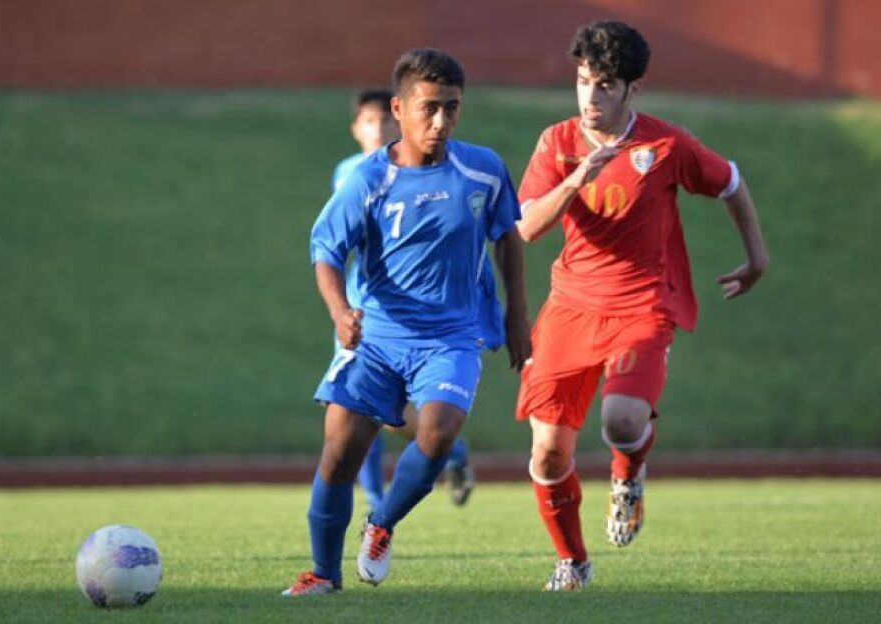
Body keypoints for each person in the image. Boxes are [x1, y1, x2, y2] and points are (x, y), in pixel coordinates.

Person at [514, 21, 769, 591]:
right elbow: (527, 227)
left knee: (622, 420)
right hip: (570, 307)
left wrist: (757, 258)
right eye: (583, 81)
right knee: (548, 453)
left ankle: (628, 475)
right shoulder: (557, 143)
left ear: (633, 90)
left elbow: (730, 182)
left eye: (605, 85)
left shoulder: (665, 145)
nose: (590, 96)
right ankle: (573, 562)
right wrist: (575, 180)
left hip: (641, 305)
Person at [283, 48, 531, 597]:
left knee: (438, 433)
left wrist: (517, 314)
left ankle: (382, 523)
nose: (440, 121)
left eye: (451, 108)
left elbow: (507, 236)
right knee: (338, 457)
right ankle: (323, 574)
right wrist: (339, 311)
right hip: (377, 339)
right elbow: (326, 250)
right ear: (399, 109)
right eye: (429, 108)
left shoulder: (483, 170)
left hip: (451, 337)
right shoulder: (368, 179)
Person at [333, 90, 494, 512]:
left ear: (398, 121)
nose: (378, 130)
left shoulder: (430, 171)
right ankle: (376, 501)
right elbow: (338, 238)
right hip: (363, 309)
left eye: (384, 121)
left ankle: (450, 451)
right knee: (355, 407)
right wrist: (341, 307)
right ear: (355, 129)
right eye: (368, 122)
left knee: (398, 412)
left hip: (422, 317)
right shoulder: (350, 173)